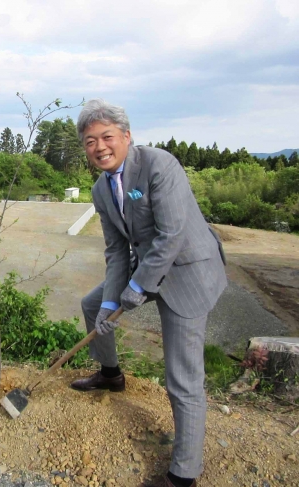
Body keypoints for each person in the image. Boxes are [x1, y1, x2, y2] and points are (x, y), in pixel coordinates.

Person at [70, 99, 227, 487]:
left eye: (107, 136)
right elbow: (115, 251)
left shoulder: (159, 165)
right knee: (93, 304)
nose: (100, 147)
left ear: (126, 136)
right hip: (148, 265)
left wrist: (136, 289)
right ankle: (110, 374)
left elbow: (171, 236)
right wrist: (112, 301)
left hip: (188, 271)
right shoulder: (101, 190)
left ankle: (184, 474)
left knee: (182, 376)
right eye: (90, 141)